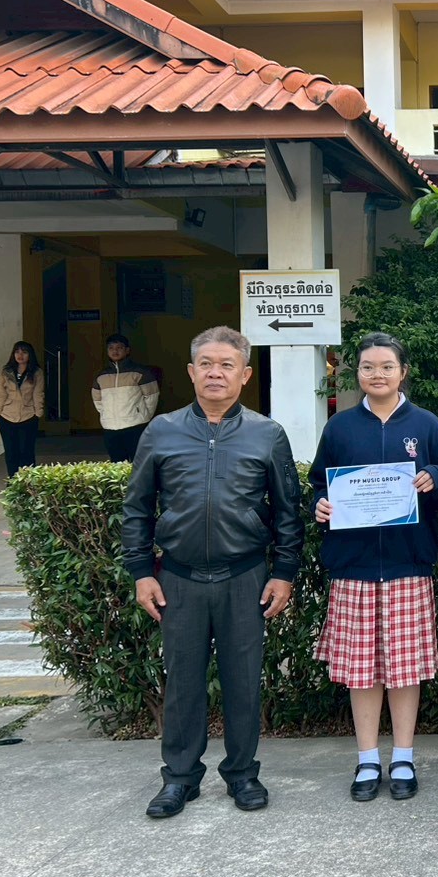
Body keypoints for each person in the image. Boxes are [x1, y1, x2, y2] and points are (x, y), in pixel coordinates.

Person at [122, 326, 303, 819]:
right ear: (191, 371)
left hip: (244, 576)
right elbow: (137, 507)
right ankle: (180, 778)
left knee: (243, 681)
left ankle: (243, 774)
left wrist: (284, 571)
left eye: (227, 365)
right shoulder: (161, 431)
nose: (215, 373)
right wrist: (141, 571)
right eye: (206, 364)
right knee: (182, 682)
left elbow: (288, 511)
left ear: (245, 375)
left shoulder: (267, 434)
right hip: (178, 578)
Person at [309, 332, 438, 803]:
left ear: (403, 372)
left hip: (407, 563)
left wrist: (435, 477)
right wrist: (320, 505)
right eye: (368, 367)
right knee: (362, 671)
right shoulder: (340, 428)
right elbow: (318, 484)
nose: (377, 374)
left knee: (405, 670)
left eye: (387, 366)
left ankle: (404, 757)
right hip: (353, 566)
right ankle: (368, 758)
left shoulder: (425, 424)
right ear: (356, 373)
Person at [92, 333, 159, 462]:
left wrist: (143, 416)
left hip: (135, 425)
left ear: (127, 350)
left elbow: (152, 396)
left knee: (138, 463)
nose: (115, 351)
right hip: (110, 427)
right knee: (116, 465)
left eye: (119, 348)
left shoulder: (140, 372)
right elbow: (97, 400)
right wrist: (106, 415)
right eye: (111, 348)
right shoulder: (101, 376)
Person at [0, 340, 44, 477]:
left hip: (28, 416)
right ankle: (13, 482)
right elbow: (0, 394)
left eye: (24, 352)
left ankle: (28, 482)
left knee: (26, 452)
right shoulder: (6, 372)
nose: (20, 355)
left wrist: (38, 413)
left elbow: (38, 394)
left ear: (30, 355)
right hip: (6, 417)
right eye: (17, 352)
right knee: (11, 452)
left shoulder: (36, 372)